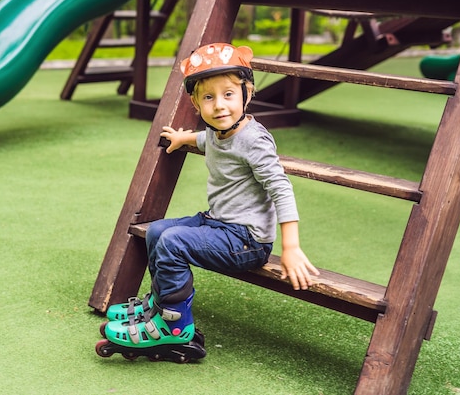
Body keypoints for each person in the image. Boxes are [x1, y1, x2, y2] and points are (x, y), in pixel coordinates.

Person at [97, 43, 319, 361]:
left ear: (248, 93)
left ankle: (175, 327)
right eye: (208, 97)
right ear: (196, 104)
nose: (219, 106)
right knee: (159, 231)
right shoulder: (219, 131)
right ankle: (160, 305)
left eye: (229, 94)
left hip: (247, 241)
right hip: (219, 224)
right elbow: (207, 140)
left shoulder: (253, 140)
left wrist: (292, 247)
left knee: (173, 242)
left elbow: (281, 189)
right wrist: (184, 138)